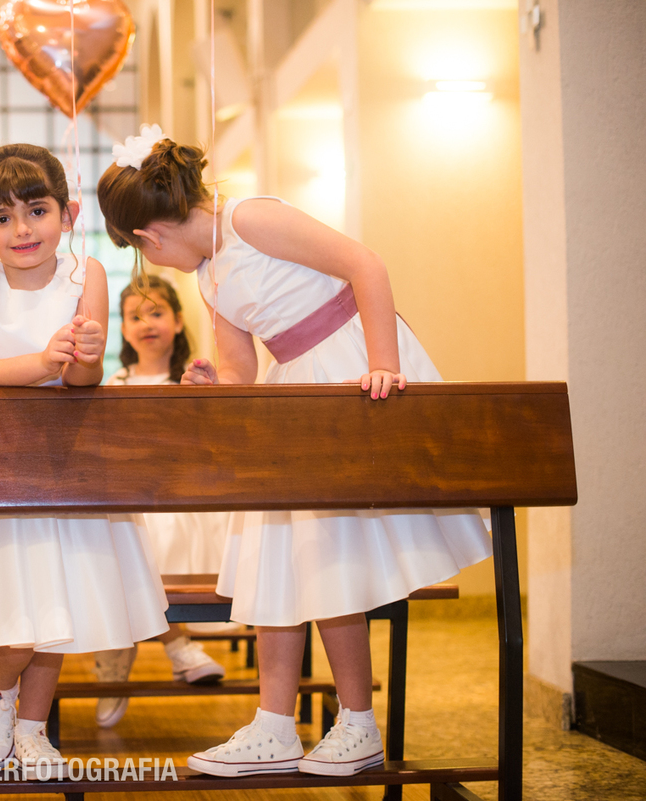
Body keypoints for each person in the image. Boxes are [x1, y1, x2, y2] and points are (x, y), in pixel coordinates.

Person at [97, 128, 491, 777]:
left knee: (329, 555)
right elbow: (240, 372)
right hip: (293, 394)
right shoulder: (209, 277)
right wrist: (212, 384)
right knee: (276, 556)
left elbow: (366, 265)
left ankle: (358, 723)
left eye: (142, 251)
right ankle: (274, 725)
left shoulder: (250, 218)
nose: (152, 260)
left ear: (149, 236)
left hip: (349, 374)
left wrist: (384, 365)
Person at [0, 143, 169, 779]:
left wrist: (85, 356)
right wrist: (42, 362)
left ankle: (32, 729)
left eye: (36, 211)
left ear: (68, 213)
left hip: (66, 460)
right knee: (14, 609)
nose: (22, 230)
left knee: (56, 605)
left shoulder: (88, 275)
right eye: (2, 218)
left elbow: (84, 381)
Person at [94, 275, 227, 728]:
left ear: (178, 320)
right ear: (123, 328)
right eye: (135, 316)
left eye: (157, 312)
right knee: (117, 532)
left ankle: (115, 662)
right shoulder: (114, 382)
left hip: (178, 494)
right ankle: (177, 648)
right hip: (129, 494)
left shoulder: (193, 378)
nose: (147, 323)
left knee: (154, 532)